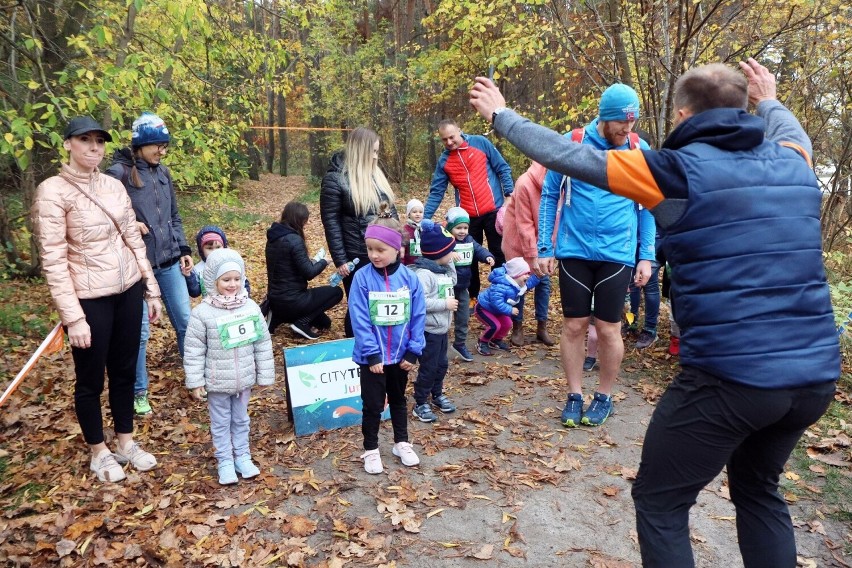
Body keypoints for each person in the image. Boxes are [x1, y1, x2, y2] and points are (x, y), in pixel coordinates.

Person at [470, 58, 839, 568]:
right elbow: (791, 129)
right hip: (815, 378)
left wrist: (502, 116)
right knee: (758, 490)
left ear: (682, 114)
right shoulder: (793, 161)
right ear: (742, 106)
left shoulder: (672, 171)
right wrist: (768, 99)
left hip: (732, 379)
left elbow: (566, 157)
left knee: (661, 501)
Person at [32, 116, 163, 483]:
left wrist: (150, 289)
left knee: (124, 371)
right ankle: (98, 450)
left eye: (100, 142)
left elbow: (132, 240)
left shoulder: (112, 186)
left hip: (128, 289)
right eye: (85, 140)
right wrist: (73, 318)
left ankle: (125, 441)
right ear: (68, 144)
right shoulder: (53, 192)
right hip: (90, 298)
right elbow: (54, 260)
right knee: (91, 379)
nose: (94, 148)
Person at [532, 84, 657, 427]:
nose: (628, 131)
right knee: (573, 325)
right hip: (574, 249)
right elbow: (549, 196)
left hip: (618, 253)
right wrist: (545, 246)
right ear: (605, 118)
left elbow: (647, 205)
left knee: (608, 328)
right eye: (622, 124)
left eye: (632, 124)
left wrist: (646, 255)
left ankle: (603, 396)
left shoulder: (637, 148)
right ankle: (574, 394)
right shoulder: (573, 142)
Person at [106, 112, 193, 418]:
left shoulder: (164, 174)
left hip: (169, 262)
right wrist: (128, 222)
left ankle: (194, 376)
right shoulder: (119, 173)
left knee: (186, 321)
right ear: (140, 145)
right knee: (139, 333)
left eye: (164, 145)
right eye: (156, 144)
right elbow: (100, 212)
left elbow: (174, 216)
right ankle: (138, 391)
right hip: (135, 267)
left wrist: (183, 247)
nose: (161, 150)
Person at [183, 249, 274, 485]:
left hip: (243, 379)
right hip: (217, 381)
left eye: (236, 279)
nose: (232, 284)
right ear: (213, 281)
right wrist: (196, 381)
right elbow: (193, 350)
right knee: (221, 422)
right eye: (226, 280)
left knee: (241, 419)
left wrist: (264, 375)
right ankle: (224, 460)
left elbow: (262, 343)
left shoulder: (251, 307)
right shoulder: (202, 313)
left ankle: (242, 456)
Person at [349, 206, 425, 474]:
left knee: (398, 399)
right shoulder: (362, 278)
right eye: (369, 249)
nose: (374, 255)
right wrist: (372, 354)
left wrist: (414, 351)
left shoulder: (410, 279)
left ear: (397, 249)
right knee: (372, 404)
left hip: (400, 356)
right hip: (373, 359)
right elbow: (359, 318)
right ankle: (371, 449)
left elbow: (418, 316)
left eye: (380, 250)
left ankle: (401, 442)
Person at [320, 127, 398, 337]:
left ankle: (379, 347)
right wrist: (340, 259)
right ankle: (355, 348)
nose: (376, 156)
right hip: (356, 254)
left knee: (380, 300)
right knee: (359, 305)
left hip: (383, 251)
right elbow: (331, 222)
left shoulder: (376, 176)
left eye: (377, 151)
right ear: (361, 150)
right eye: (372, 151)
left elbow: (390, 211)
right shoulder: (336, 179)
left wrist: (398, 243)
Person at [424, 119, 513, 299]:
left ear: (459, 130)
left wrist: (509, 194)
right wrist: (423, 218)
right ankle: (472, 297)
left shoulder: (481, 143)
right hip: (466, 217)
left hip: (493, 210)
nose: (449, 142)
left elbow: (502, 168)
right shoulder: (444, 161)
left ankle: (499, 294)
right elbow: (437, 191)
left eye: (452, 137)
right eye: (444, 140)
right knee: (468, 257)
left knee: (498, 253)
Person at [265, 201, 343, 339]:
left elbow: (288, 266)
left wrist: (312, 261)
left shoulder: (273, 238)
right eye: (305, 221)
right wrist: (324, 262)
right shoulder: (294, 239)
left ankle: (276, 316)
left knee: (324, 323)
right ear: (300, 220)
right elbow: (309, 273)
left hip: (276, 299)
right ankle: (301, 322)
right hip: (293, 300)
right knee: (336, 292)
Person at [500, 161, 555, 347]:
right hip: (517, 241)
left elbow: (556, 218)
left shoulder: (560, 182)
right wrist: (533, 257)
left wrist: (550, 251)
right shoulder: (524, 183)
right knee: (519, 284)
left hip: (542, 242)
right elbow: (524, 225)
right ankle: (517, 326)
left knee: (544, 282)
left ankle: (542, 327)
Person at [409, 220, 459, 423]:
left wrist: (451, 262)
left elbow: (453, 282)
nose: (453, 254)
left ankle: (437, 394)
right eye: (450, 251)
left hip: (442, 329)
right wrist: (444, 305)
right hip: (429, 330)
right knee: (428, 367)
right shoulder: (424, 274)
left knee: (442, 364)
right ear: (439, 253)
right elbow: (420, 302)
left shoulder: (442, 270)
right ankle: (420, 401)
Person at [444, 207, 495, 361]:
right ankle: (438, 347)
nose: (462, 231)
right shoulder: (445, 241)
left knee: (463, 317)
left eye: (465, 228)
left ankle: (459, 343)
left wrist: (487, 256)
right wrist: (448, 253)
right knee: (443, 318)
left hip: (463, 286)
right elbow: (434, 254)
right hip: (446, 287)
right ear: (450, 228)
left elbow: (478, 249)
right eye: (458, 228)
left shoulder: (469, 240)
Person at [473, 258, 538, 356]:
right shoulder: (500, 286)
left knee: (507, 324)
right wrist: (510, 310)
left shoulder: (518, 283)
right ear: (516, 275)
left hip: (497, 310)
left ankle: (496, 340)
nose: (528, 276)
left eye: (528, 273)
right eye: (525, 274)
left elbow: (528, 284)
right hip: (484, 308)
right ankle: (482, 342)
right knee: (494, 325)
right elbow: (496, 302)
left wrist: (538, 276)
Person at [186, 226, 251, 298]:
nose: (214, 251)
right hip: (211, 306)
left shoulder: (230, 264)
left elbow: (244, 284)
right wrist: (189, 276)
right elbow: (195, 293)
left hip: (235, 303)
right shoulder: (198, 269)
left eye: (218, 247)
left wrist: (245, 299)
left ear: (224, 246)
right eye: (209, 248)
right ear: (201, 250)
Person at [401, 199, 424, 266]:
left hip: (424, 263)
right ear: (409, 214)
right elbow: (402, 249)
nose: (417, 214)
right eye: (414, 212)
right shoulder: (405, 230)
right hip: (410, 264)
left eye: (420, 212)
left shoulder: (424, 229)